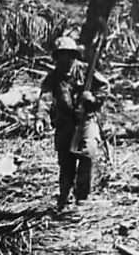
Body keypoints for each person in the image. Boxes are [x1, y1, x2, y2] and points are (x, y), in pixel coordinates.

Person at [34, 35, 109, 215]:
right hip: (65, 123)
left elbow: (105, 87)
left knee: (88, 153)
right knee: (66, 162)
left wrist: (93, 98)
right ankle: (64, 197)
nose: (66, 59)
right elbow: (44, 98)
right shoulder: (53, 77)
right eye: (62, 55)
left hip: (87, 120)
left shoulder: (85, 71)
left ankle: (81, 198)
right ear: (57, 57)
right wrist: (40, 118)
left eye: (69, 55)